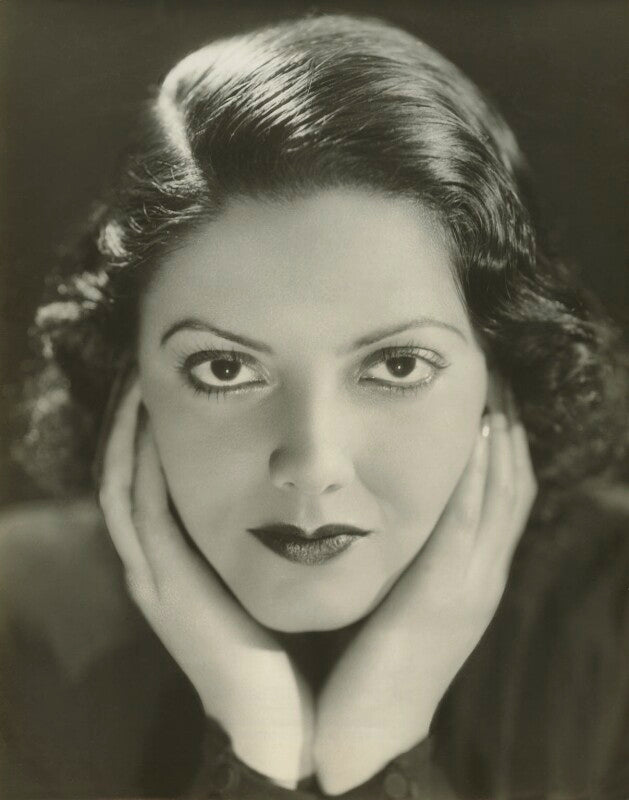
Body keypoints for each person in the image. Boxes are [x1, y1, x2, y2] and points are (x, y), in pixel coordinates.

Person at [1, 13, 627, 800]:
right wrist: (257, 742)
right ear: (127, 374)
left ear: (502, 368)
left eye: (396, 365)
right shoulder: (17, 631)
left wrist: (379, 738)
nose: (311, 464)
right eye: (224, 367)